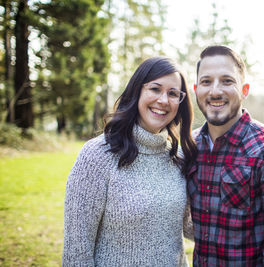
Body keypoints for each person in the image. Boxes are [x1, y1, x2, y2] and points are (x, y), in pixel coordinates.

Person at [62, 57, 197, 266]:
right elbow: (77, 252)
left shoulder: (178, 157)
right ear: (137, 91)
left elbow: (191, 226)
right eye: (155, 89)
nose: (163, 100)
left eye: (173, 94)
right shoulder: (97, 155)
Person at [187, 45, 264, 266]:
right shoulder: (190, 147)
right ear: (196, 89)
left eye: (227, 81)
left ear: (244, 90)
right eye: (206, 81)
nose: (215, 91)